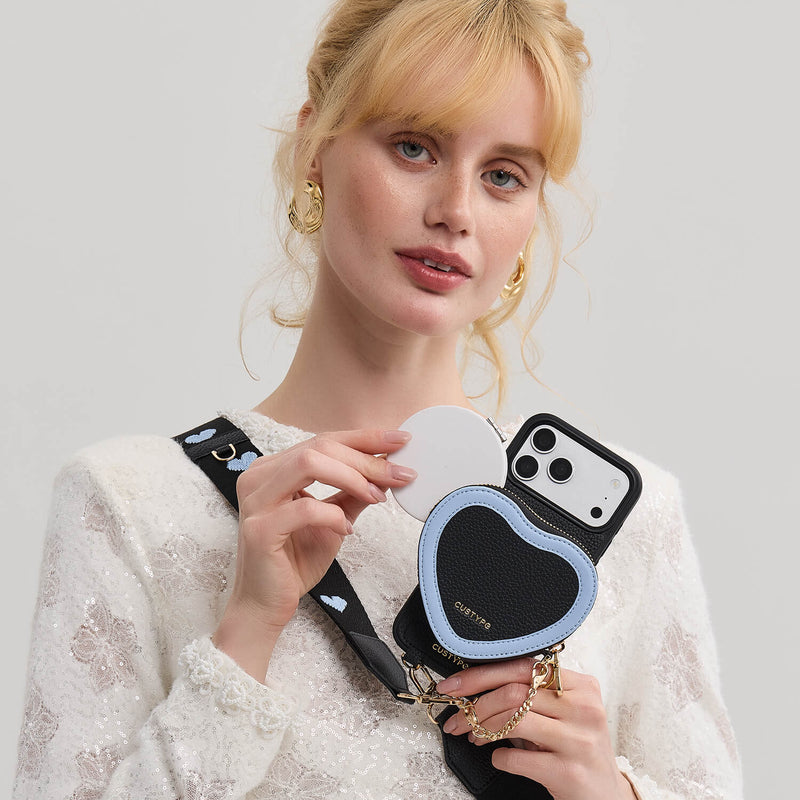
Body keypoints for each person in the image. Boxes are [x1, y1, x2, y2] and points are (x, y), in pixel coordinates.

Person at [14, 1, 742, 798]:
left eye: (503, 176)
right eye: (414, 147)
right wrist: (246, 633)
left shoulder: (634, 524)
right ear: (315, 148)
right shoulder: (128, 503)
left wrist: (608, 791)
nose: (456, 211)